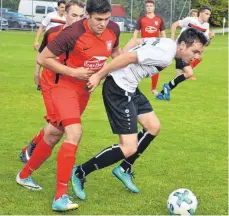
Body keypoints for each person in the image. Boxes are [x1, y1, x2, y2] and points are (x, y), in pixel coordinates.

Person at [70, 28, 208, 200]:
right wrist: (100, 75)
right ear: (182, 45)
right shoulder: (165, 54)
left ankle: (124, 168)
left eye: (200, 53)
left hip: (130, 87)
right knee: (129, 147)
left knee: (153, 127)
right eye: (194, 51)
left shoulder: (167, 43)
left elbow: (136, 42)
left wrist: (119, 67)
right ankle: (80, 171)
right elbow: (128, 57)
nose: (196, 56)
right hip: (119, 90)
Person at [16, 0, 121, 211]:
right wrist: (74, 72)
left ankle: (24, 175)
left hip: (83, 91)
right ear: (87, 16)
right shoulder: (71, 33)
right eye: (98, 19)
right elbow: (44, 58)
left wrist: (105, 74)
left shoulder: (114, 29)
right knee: (74, 133)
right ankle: (60, 197)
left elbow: (115, 53)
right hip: (63, 86)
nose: (103, 24)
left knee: (53, 134)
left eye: (107, 18)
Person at [19, 0, 85, 164]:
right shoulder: (54, 33)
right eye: (73, 15)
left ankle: (30, 149)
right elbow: (42, 54)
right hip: (50, 83)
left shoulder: (85, 36)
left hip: (70, 86)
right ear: (65, 14)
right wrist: (36, 72)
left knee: (59, 123)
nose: (77, 20)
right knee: (57, 122)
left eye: (80, 16)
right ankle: (30, 149)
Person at [156, 6, 215, 101]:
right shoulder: (190, 20)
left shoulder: (206, 26)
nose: (208, 16)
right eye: (207, 14)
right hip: (178, 49)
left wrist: (210, 38)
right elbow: (175, 24)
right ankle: (163, 88)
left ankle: (162, 93)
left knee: (181, 75)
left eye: (209, 15)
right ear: (201, 13)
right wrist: (172, 40)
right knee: (183, 71)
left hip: (185, 53)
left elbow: (204, 43)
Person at [133, 0, 166, 95]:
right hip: (144, 46)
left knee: (156, 66)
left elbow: (163, 33)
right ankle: (133, 86)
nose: (149, 7)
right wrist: (134, 41)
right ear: (145, 7)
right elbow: (136, 31)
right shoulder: (141, 19)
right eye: (147, 6)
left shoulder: (159, 19)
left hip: (155, 46)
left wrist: (164, 44)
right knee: (137, 65)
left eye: (151, 6)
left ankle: (153, 89)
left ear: (154, 7)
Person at [33, 0, 66, 90]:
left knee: (54, 63)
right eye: (62, 7)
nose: (63, 9)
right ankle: (38, 81)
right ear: (58, 7)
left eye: (65, 7)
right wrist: (36, 41)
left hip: (58, 43)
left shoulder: (66, 18)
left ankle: (53, 82)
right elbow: (41, 27)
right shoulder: (51, 16)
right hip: (47, 40)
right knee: (39, 61)